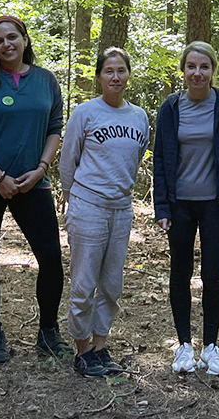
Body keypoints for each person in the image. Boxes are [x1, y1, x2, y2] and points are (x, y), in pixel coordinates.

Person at [0, 16, 72, 365]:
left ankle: (48, 332)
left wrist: (41, 168)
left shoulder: (46, 81)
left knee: (51, 258)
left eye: (12, 38)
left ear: (24, 39)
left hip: (32, 182)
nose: (6, 44)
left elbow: (54, 127)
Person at [152, 41, 219, 375]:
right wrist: (161, 206)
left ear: (212, 70)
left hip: (216, 205)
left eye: (204, 67)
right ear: (183, 70)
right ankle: (183, 346)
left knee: (212, 274)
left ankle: (210, 346)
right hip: (179, 204)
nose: (197, 73)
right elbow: (161, 160)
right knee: (180, 272)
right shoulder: (171, 107)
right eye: (191, 66)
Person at [60, 47, 149, 378]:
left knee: (111, 283)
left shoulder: (139, 116)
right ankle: (82, 351)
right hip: (88, 206)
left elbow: (134, 157)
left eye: (121, 70)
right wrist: (72, 200)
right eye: (109, 71)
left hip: (121, 208)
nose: (116, 77)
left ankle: (100, 347)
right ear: (99, 76)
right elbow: (68, 161)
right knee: (84, 283)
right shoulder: (85, 113)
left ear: (128, 75)